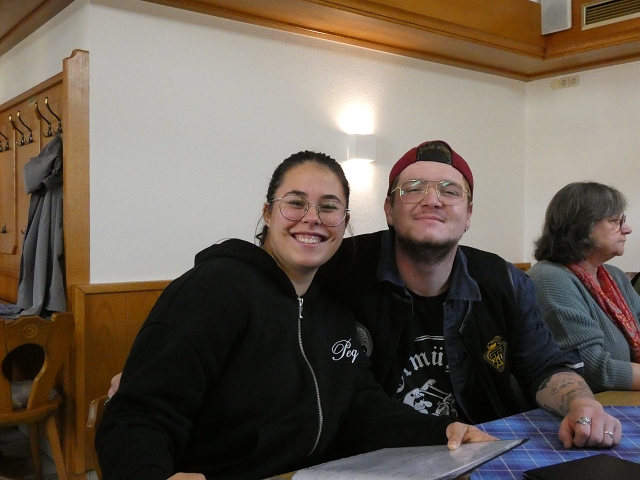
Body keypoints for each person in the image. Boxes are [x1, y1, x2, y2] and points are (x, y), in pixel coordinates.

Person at [95, 151, 493, 480]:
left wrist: (442, 430)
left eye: (328, 207)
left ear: (344, 224)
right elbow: (138, 414)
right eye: (296, 202)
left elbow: (361, 407)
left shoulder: (333, 310)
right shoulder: (214, 289)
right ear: (268, 213)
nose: (312, 217)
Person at [319, 140, 621, 449]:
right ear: (389, 210)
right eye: (413, 189)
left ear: (469, 214)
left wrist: (581, 403)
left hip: (480, 447)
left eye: (450, 191)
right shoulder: (337, 271)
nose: (432, 200)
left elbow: (544, 367)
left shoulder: (505, 281)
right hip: (372, 454)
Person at [528, 182, 640, 393]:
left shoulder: (614, 276)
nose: (627, 229)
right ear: (581, 227)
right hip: (585, 406)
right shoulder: (550, 279)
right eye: (615, 221)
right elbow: (593, 371)